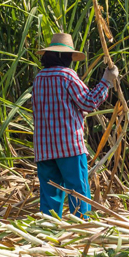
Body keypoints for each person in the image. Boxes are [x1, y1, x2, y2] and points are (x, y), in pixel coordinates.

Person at [32, 33, 119, 218]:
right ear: (66, 57)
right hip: (68, 146)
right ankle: (82, 226)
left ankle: (49, 228)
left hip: (44, 147)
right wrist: (106, 81)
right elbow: (88, 102)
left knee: (50, 194)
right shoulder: (67, 75)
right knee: (78, 191)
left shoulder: (39, 78)